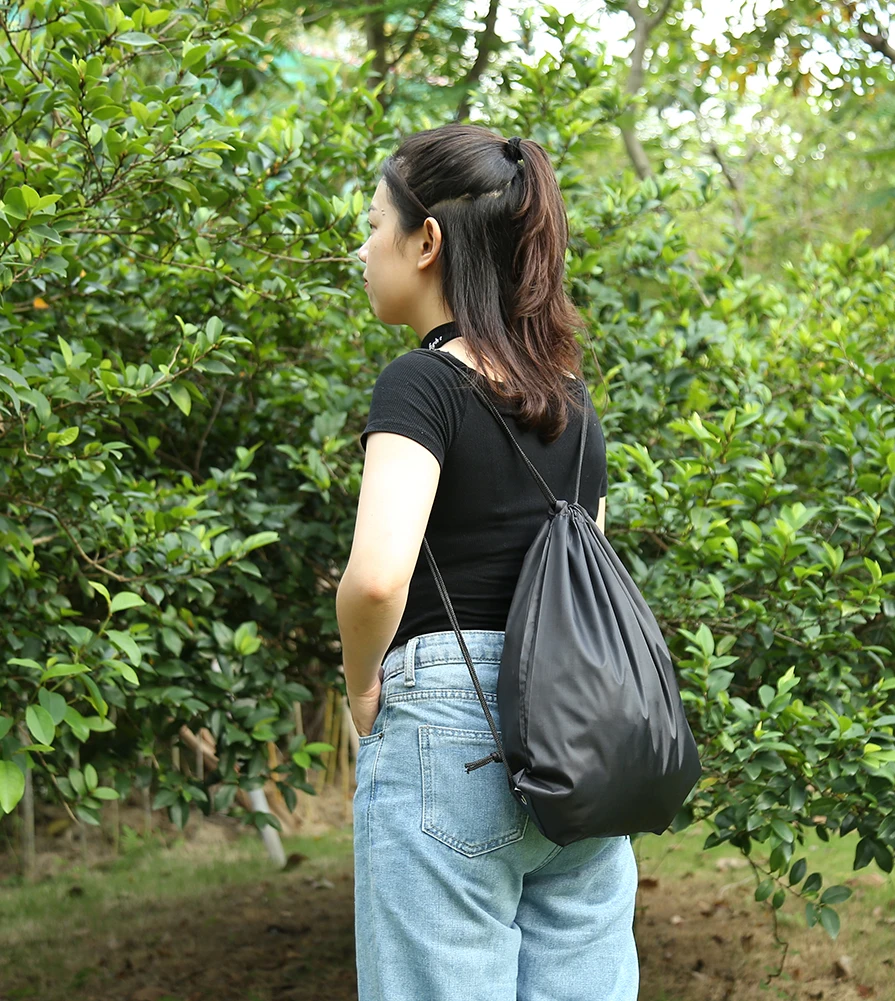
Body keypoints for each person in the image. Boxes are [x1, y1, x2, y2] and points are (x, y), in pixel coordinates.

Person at [335, 123, 639, 1001]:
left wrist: (362, 687)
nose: (362, 250)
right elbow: (587, 584)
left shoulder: (421, 382)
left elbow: (377, 576)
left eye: (373, 224)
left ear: (425, 241)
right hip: (579, 736)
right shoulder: (570, 401)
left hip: (447, 730)